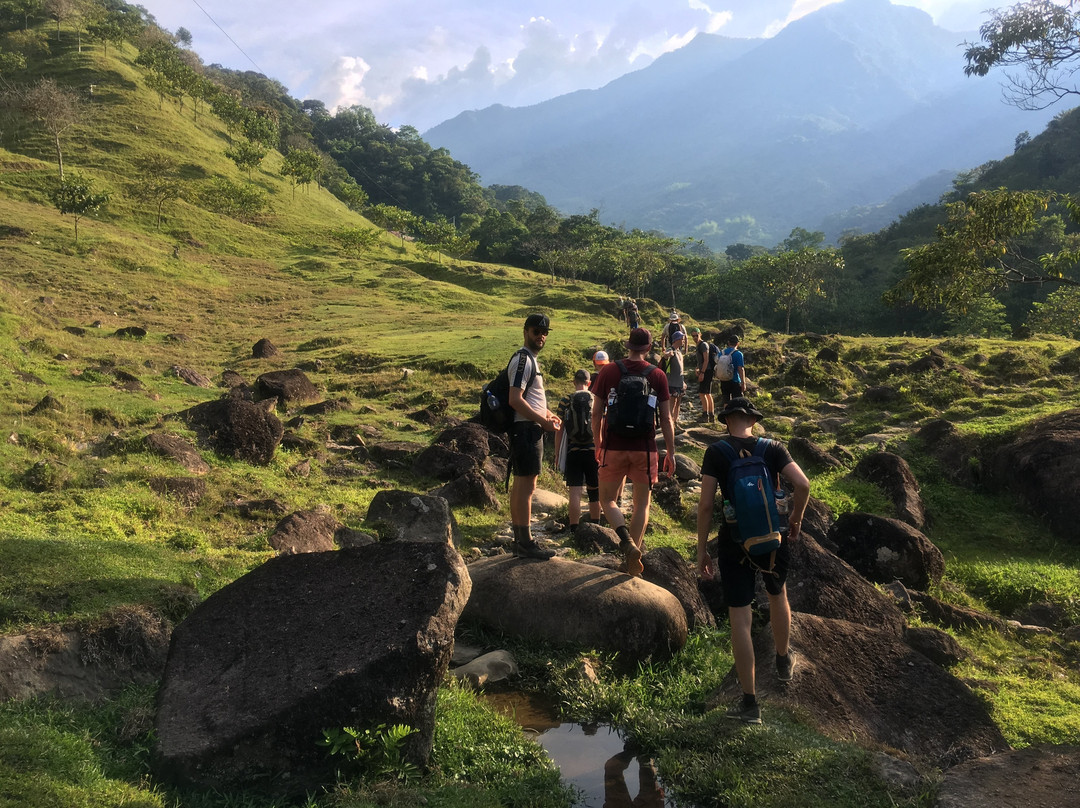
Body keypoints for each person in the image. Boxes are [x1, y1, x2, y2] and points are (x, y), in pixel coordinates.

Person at [696, 397, 810, 724]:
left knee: (740, 619)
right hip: (774, 537)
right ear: (753, 420)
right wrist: (796, 521)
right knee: (778, 595)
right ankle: (783, 659)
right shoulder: (773, 448)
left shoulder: (717, 452)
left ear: (727, 419)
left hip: (735, 543)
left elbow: (705, 506)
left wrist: (702, 549)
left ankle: (750, 703)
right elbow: (802, 484)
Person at [591, 327, 676, 576]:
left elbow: (596, 413)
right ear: (649, 348)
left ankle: (625, 542)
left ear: (628, 345)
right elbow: (667, 418)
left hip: (614, 447)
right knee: (642, 505)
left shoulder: (608, 371)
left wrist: (598, 443)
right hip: (645, 449)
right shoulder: (658, 375)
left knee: (607, 500)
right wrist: (670, 452)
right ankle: (633, 553)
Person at [508, 313, 562, 560]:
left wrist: (548, 415)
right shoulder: (523, 360)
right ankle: (526, 541)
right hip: (526, 430)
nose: (541, 336)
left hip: (530, 428)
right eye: (536, 331)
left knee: (523, 484)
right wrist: (542, 421)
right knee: (526, 486)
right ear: (525, 331)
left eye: (544, 333)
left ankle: (520, 539)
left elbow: (530, 398)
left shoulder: (530, 360)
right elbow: (515, 399)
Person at [555, 369, 601, 534]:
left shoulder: (565, 400)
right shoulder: (596, 400)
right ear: (589, 383)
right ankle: (597, 528)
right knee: (594, 490)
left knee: (574, 491)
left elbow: (559, 429)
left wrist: (557, 453)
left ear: (574, 382)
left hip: (573, 451)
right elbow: (602, 425)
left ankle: (574, 529)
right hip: (593, 452)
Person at [690, 327, 715, 423]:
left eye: (696, 335)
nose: (694, 337)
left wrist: (702, 373)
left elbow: (706, 360)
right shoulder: (698, 345)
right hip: (704, 370)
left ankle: (706, 415)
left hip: (707, 371)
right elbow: (700, 361)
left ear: (700, 334)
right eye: (693, 336)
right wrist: (697, 369)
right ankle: (710, 415)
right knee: (707, 393)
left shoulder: (703, 345)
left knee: (703, 393)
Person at [664, 331, 686, 429]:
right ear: (677, 339)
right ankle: (670, 424)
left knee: (678, 403)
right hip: (672, 382)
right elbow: (665, 356)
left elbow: (681, 368)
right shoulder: (671, 350)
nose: (683, 341)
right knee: (672, 404)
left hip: (680, 382)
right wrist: (666, 355)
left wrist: (683, 381)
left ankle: (675, 422)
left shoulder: (679, 351)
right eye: (682, 339)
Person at [718, 333, 748, 407]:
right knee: (738, 401)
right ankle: (736, 417)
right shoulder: (738, 354)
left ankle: (726, 417)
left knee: (726, 401)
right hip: (735, 380)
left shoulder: (722, 353)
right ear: (738, 343)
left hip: (724, 379)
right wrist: (743, 383)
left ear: (728, 343)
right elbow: (740, 369)